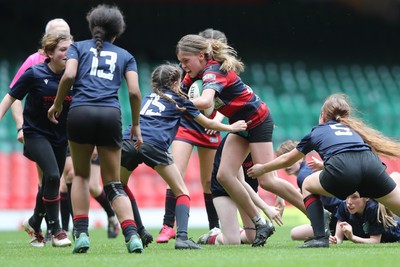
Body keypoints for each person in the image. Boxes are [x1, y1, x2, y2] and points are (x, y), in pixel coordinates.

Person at [176, 34, 306, 247]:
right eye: (180, 61)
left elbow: (206, 101)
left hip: (258, 121)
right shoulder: (196, 72)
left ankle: (319, 217)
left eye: (185, 61)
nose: (183, 66)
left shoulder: (213, 71)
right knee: (225, 176)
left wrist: (181, 104)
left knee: (267, 180)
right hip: (241, 125)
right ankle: (259, 222)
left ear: (201, 56)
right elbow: (181, 91)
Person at [48, 4, 143, 254]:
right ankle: (132, 235)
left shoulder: (77, 47)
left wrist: (58, 104)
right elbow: (134, 91)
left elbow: (68, 77)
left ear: (92, 26)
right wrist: (136, 125)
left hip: (80, 113)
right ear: (117, 32)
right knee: (113, 183)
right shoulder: (126, 55)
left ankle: (80, 234)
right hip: (110, 114)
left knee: (80, 176)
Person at [120, 63, 248, 249]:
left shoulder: (149, 96)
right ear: (175, 83)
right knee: (182, 192)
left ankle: (139, 230)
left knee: (120, 186)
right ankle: (182, 238)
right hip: (153, 144)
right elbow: (208, 124)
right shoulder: (180, 100)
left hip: (129, 141)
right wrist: (231, 127)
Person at [248, 93, 400, 248]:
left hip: (344, 169)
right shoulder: (353, 129)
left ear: (322, 115)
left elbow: (288, 159)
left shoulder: (317, 131)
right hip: (371, 165)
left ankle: (320, 237)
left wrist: (263, 168)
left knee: (307, 183)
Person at [0, 32, 73, 247]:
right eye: (62, 50)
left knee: (49, 183)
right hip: (35, 133)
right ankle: (56, 231)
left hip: (61, 136)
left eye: (70, 50)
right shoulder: (34, 73)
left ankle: (33, 222)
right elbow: (11, 96)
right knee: (52, 176)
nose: (67, 54)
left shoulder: (74, 75)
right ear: (49, 53)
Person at [156, 28, 226, 243]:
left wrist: (217, 121)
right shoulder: (186, 68)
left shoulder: (222, 70)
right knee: (175, 174)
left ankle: (214, 227)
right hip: (187, 124)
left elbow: (226, 102)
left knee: (208, 181)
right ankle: (168, 226)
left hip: (209, 127)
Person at [197, 134, 283, 245]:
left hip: (248, 189)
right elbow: (240, 183)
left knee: (253, 238)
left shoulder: (261, 138)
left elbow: (269, 166)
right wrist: (266, 208)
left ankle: (236, 231)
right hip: (224, 190)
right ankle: (212, 237)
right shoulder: (236, 140)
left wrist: (280, 195)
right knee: (232, 242)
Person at [275, 140, 341, 240]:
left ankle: (333, 232)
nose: (286, 165)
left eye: (289, 160)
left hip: (336, 216)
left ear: (300, 158)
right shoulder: (306, 171)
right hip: (337, 214)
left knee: (295, 233)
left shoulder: (302, 176)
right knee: (295, 233)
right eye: (283, 161)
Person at [59, 149, 121, 239]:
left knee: (93, 187)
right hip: (70, 140)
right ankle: (65, 230)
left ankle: (111, 215)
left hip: (90, 141)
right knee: (65, 183)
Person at [330, 191, 400, 244]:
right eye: (347, 196)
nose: (349, 202)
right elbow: (338, 238)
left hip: (396, 234)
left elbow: (375, 241)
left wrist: (352, 238)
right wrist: (333, 240)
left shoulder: (373, 208)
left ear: (366, 197)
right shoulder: (343, 206)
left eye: (354, 197)